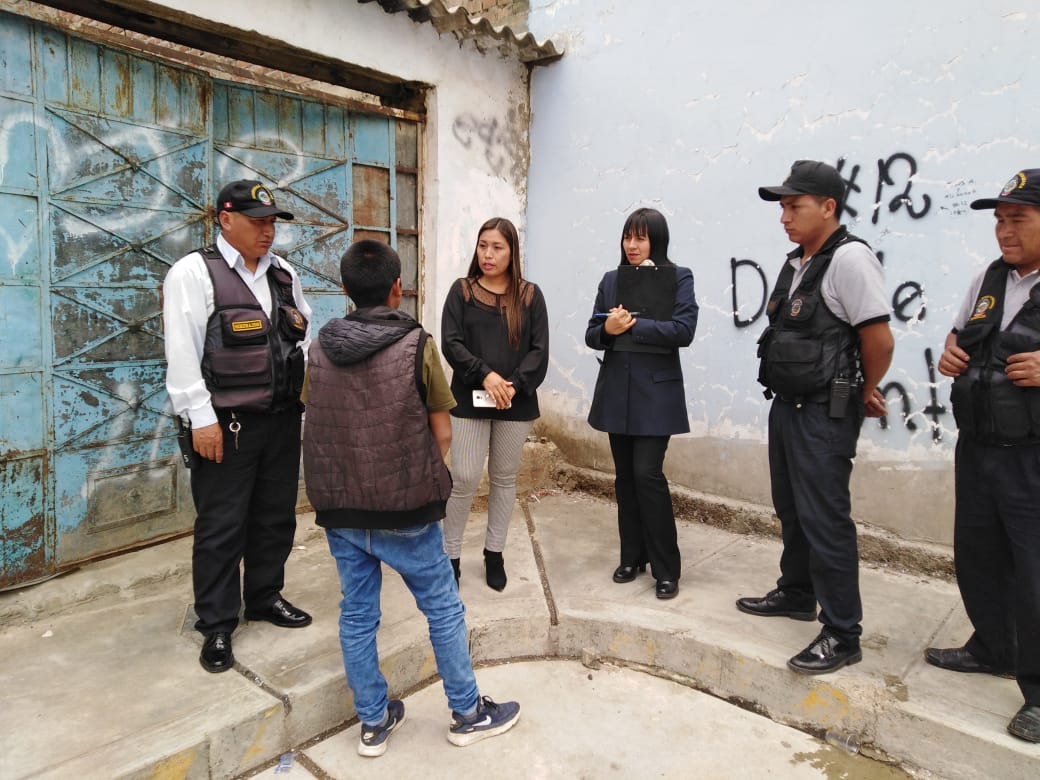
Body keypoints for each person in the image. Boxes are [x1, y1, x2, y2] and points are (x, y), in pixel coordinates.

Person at [302, 239, 521, 757]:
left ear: (345, 291)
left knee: (357, 614)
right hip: (405, 508)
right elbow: (442, 433)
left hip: (341, 508)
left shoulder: (319, 346)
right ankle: (468, 713)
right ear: (397, 288)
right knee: (443, 608)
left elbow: (318, 418)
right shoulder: (417, 344)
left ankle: (374, 722)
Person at [736, 160, 893, 674]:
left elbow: (878, 339)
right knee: (792, 508)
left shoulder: (850, 260)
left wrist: (865, 390)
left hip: (825, 411)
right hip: (788, 405)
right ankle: (798, 593)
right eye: (782, 206)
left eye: (794, 205)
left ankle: (843, 632)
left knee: (826, 518)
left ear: (828, 207)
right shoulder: (798, 261)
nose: (784, 216)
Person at [163, 180, 314, 674]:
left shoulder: (285, 275)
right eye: (257, 221)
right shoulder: (193, 272)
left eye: (272, 222)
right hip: (224, 425)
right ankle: (217, 623)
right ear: (225, 219)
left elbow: (300, 343)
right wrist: (199, 418)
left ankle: (265, 597)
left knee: (275, 517)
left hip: (281, 420)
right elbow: (182, 354)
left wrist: (305, 401)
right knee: (221, 525)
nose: (267, 231)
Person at [924, 168, 1040, 744]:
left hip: (1033, 456)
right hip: (980, 446)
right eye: (999, 220)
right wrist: (950, 355)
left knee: (1035, 572)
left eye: (1017, 218)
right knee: (978, 555)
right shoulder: (988, 279)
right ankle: (993, 648)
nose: (1003, 231)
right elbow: (957, 338)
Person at [585, 207, 699, 600]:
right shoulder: (611, 280)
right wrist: (606, 330)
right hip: (618, 390)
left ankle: (667, 567)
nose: (632, 245)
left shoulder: (678, 277)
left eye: (641, 238)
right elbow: (592, 334)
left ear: (657, 241)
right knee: (624, 478)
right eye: (627, 237)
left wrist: (632, 326)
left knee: (647, 475)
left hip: (657, 394)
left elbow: (684, 330)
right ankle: (632, 556)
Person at [440, 218, 549, 591]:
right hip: (470, 398)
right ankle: (449, 556)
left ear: (512, 251)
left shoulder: (530, 296)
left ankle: (494, 553)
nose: (488, 254)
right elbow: (451, 343)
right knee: (465, 478)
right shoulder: (462, 292)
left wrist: (513, 386)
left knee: (504, 479)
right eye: (483, 245)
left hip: (515, 403)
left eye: (497, 247)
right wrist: (485, 375)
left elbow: (539, 351)